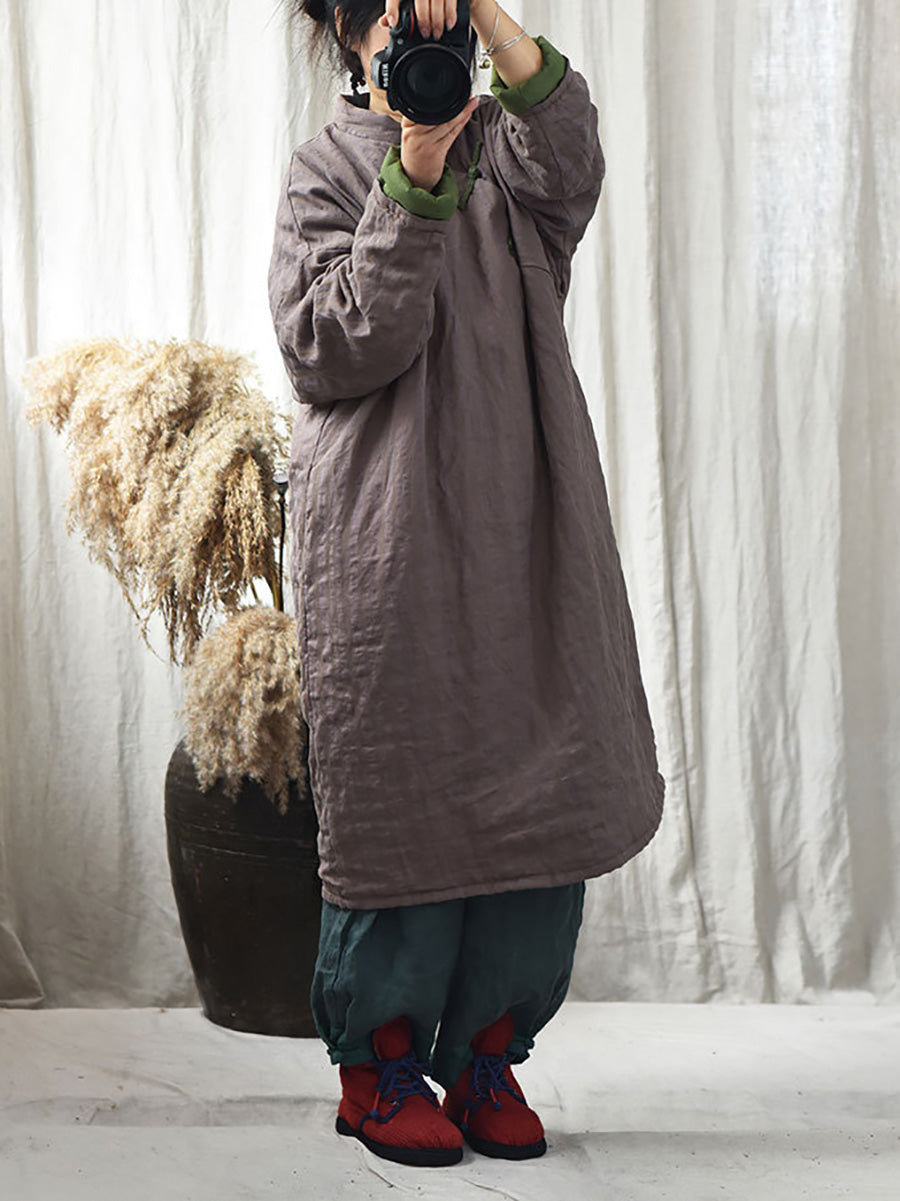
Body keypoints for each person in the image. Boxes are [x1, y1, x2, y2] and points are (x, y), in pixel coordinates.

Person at [268, 0, 666, 1170]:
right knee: (402, 791)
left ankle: (491, 1052)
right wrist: (415, 171)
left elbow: (573, 155)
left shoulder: (512, 155)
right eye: (398, 26)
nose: (422, 50)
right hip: (386, 542)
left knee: (545, 776)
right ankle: (380, 1065)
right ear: (351, 40)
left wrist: (483, 12)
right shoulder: (324, 172)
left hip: (527, 520)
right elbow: (337, 347)